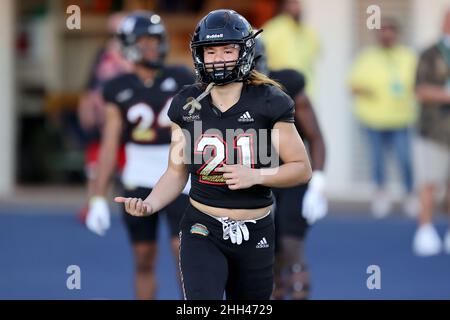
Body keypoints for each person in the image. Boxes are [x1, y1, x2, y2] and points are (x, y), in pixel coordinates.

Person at [115, 9, 312, 300]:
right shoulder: (187, 103)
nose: (218, 58)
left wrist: (255, 175)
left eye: (227, 50)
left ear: (244, 51)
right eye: (210, 51)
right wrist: (149, 204)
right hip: (202, 226)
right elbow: (176, 171)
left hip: (256, 228)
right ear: (199, 55)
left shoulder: (270, 101)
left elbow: (300, 168)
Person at [85, 11, 196, 299]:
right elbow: (110, 144)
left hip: (178, 175)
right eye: (144, 41)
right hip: (137, 177)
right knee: (144, 257)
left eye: (155, 40)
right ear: (129, 45)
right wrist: (97, 196)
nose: (151, 47)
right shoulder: (118, 87)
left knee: (183, 255)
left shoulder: (181, 77)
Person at [254, 38, 327, 299]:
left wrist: (318, 182)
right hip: (255, 180)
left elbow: (315, 136)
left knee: (291, 246)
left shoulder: (288, 85)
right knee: (265, 255)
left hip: (291, 176)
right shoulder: (225, 93)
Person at [348, 18, 418, 218]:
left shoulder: (408, 56)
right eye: (383, 31)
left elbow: (417, 84)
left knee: (405, 159)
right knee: (377, 161)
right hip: (373, 119)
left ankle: (410, 195)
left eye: (390, 31)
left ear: (396, 34)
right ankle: (381, 195)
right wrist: (367, 90)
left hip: (401, 118)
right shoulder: (367, 57)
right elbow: (352, 85)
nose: (386, 35)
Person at [77, 12, 131, 223]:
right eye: (113, 32)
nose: (115, 36)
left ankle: (134, 206)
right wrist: (86, 108)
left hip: (127, 123)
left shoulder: (132, 54)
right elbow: (91, 85)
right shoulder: (102, 53)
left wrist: (119, 55)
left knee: (127, 170)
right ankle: (93, 203)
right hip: (102, 121)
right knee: (95, 165)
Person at [412, 9, 450, 256]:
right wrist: (446, 95)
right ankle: (424, 230)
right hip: (434, 131)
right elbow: (419, 90)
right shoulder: (430, 53)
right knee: (429, 183)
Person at [261, 0, 320, 96]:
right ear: (284, 5)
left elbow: (316, 52)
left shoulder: (307, 32)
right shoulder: (272, 30)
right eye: (293, 2)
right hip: (282, 92)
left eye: (298, 3)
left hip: (305, 92)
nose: (297, 7)